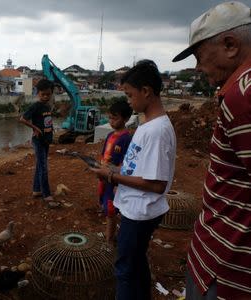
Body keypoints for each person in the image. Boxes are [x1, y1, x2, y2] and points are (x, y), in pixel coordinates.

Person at [172, 2, 251, 299]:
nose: (196, 67)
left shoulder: (242, 95)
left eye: (198, 55)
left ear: (230, 45)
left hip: (226, 264)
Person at [91, 60, 176, 300]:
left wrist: (111, 175)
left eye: (129, 95)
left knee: (125, 270)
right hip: (137, 207)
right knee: (136, 262)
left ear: (146, 92)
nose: (128, 101)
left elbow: (157, 184)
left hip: (140, 212)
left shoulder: (156, 131)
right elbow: (142, 167)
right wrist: (115, 168)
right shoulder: (149, 124)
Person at [97, 100, 133, 245]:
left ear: (125, 119)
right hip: (105, 178)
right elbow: (103, 154)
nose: (111, 121)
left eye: (115, 118)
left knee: (112, 209)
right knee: (106, 205)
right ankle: (110, 235)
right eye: (110, 118)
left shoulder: (127, 139)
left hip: (115, 180)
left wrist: (118, 179)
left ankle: (110, 239)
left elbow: (127, 163)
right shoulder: (110, 135)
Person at [20, 79, 60, 208]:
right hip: (38, 141)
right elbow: (22, 119)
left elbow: (47, 121)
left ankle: (37, 190)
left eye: (48, 94)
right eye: (43, 94)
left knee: (40, 165)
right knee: (43, 168)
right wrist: (35, 128)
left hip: (46, 140)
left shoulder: (47, 106)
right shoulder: (36, 106)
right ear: (38, 93)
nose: (45, 97)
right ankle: (46, 194)